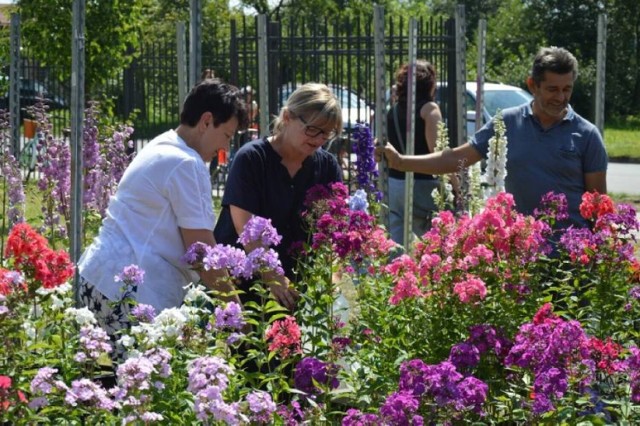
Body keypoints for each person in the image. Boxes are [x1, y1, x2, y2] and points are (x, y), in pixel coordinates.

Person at [78, 78, 249, 336]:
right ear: (205, 121)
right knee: (150, 374)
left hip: (100, 278)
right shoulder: (186, 163)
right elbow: (201, 251)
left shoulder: (164, 144)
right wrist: (236, 312)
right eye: (226, 135)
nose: (225, 147)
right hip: (128, 293)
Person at [377, 46, 608, 229]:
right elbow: (458, 159)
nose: (560, 97)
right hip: (519, 256)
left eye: (567, 89)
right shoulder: (506, 123)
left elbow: (598, 209)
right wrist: (400, 161)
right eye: (552, 89)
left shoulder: (586, 135)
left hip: (569, 263)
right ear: (532, 85)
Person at [213, 82, 343, 311]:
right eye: (313, 128)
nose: (319, 139)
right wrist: (275, 279)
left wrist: (332, 278)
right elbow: (246, 229)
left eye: (327, 133)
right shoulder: (252, 159)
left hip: (297, 285)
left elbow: (333, 231)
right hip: (246, 284)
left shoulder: (327, 167)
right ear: (287, 117)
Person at [386, 60, 447, 245]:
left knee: (397, 245)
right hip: (424, 186)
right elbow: (438, 153)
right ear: (430, 84)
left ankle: (396, 273)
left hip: (395, 184)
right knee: (437, 243)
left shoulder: (392, 111)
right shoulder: (429, 110)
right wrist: (457, 185)